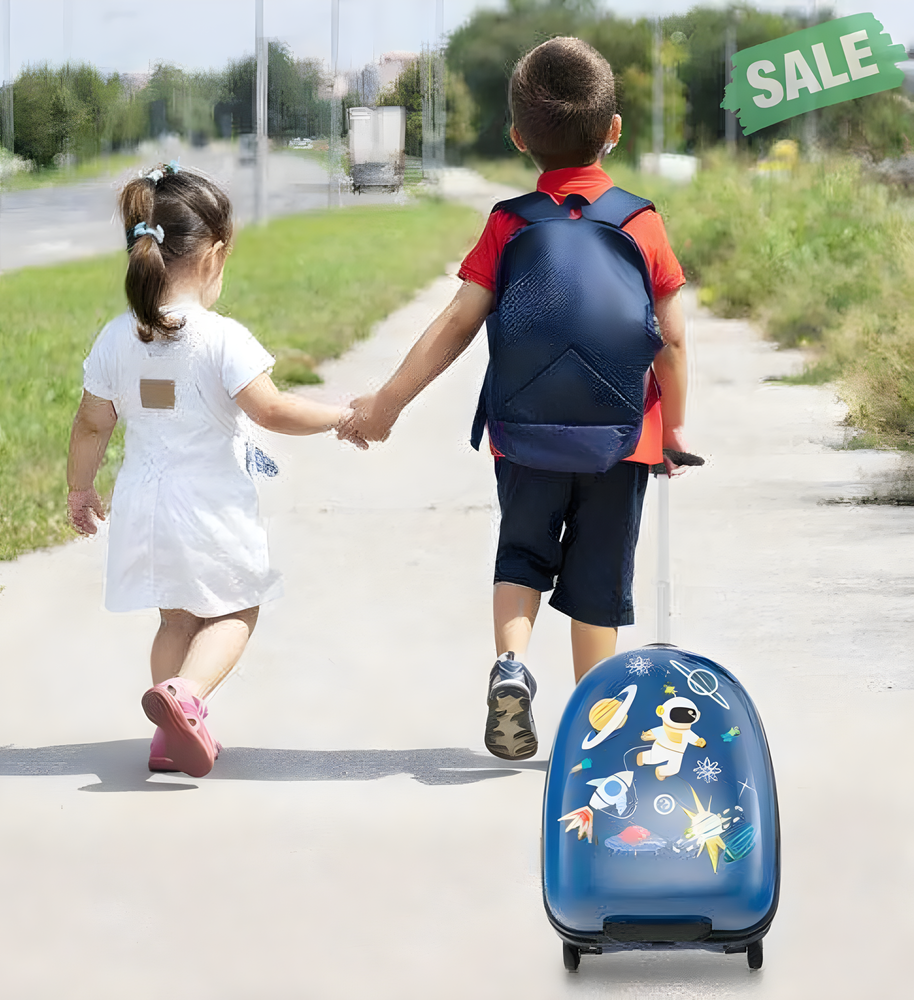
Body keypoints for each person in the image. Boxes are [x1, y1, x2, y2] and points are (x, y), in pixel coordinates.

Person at [339, 37, 690, 761]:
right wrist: (675, 429)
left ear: (518, 138)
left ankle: (510, 665)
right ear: (614, 130)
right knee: (598, 586)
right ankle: (602, 734)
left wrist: (387, 403)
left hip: (524, 432)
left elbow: (458, 322)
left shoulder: (509, 223)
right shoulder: (640, 221)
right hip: (623, 439)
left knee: (522, 556)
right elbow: (673, 341)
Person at [67, 163, 365, 778]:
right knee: (237, 609)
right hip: (208, 507)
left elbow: (93, 422)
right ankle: (188, 699)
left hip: (145, 507)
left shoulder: (117, 338)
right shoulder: (222, 339)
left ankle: (169, 736)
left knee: (175, 619)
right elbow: (275, 410)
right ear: (214, 256)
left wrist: (79, 487)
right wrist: (342, 416)